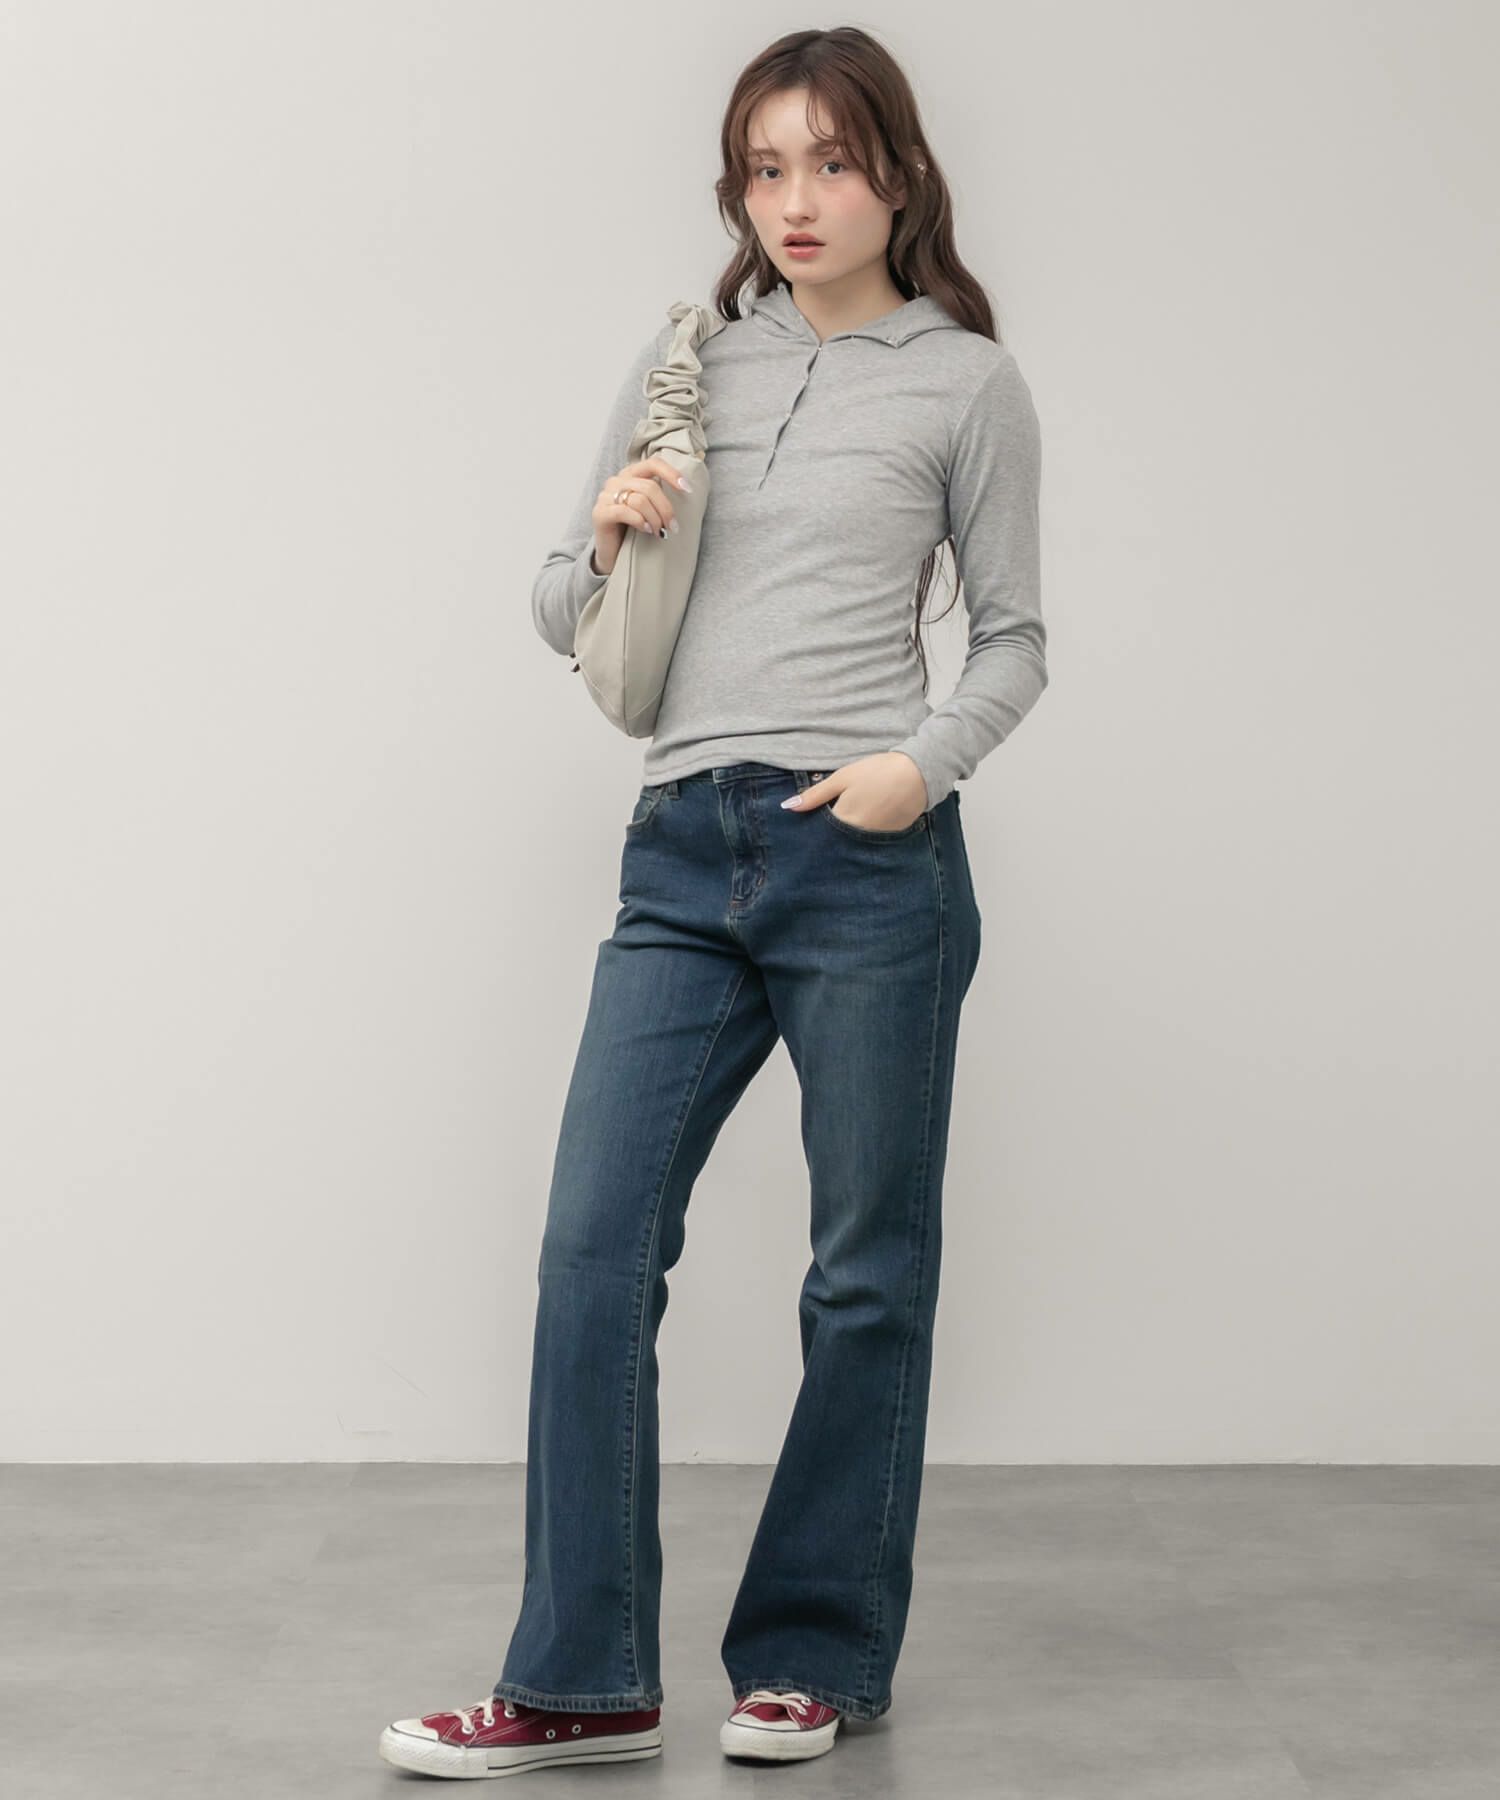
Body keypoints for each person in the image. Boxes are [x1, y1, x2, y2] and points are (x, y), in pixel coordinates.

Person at [379, 23, 1046, 1782]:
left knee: (864, 1273)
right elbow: (559, 606)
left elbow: (1014, 640)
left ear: (899, 173)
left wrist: (918, 769)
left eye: (831, 161)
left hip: (867, 853)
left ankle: (814, 1658)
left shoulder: (966, 383)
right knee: (593, 1251)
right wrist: (607, 531)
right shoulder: (690, 360)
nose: (795, 199)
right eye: (764, 167)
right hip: (680, 844)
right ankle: (583, 1682)